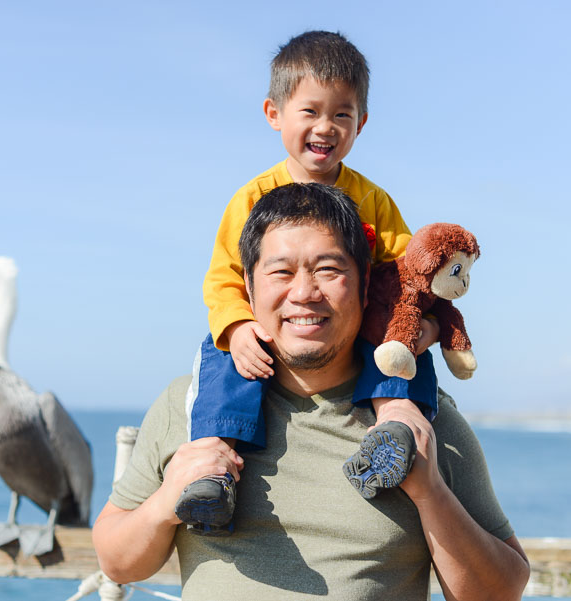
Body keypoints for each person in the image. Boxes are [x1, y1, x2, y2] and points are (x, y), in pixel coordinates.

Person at [92, 183, 530, 600]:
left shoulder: (422, 419)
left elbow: (501, 592)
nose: (303, 293)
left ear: (365, 285)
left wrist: (429, 490)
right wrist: (168, 501)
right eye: (281, 271)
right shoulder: (189, 406)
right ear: (248, 285)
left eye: (328, 270)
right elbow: (117, 563)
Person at [180, 30, 440, 533]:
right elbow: (222, 278)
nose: (326, 127)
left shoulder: (373, 200)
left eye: (341, 114)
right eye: (310, 111)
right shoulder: (253, 197)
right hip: (265, 331)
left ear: (361, 123)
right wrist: (235, 329)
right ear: (274, 114)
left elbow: (410, 271)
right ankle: (217, 465)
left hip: (347, 329)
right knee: (217, 359)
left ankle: (396, 429)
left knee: (401, 348)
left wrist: (424, 322)